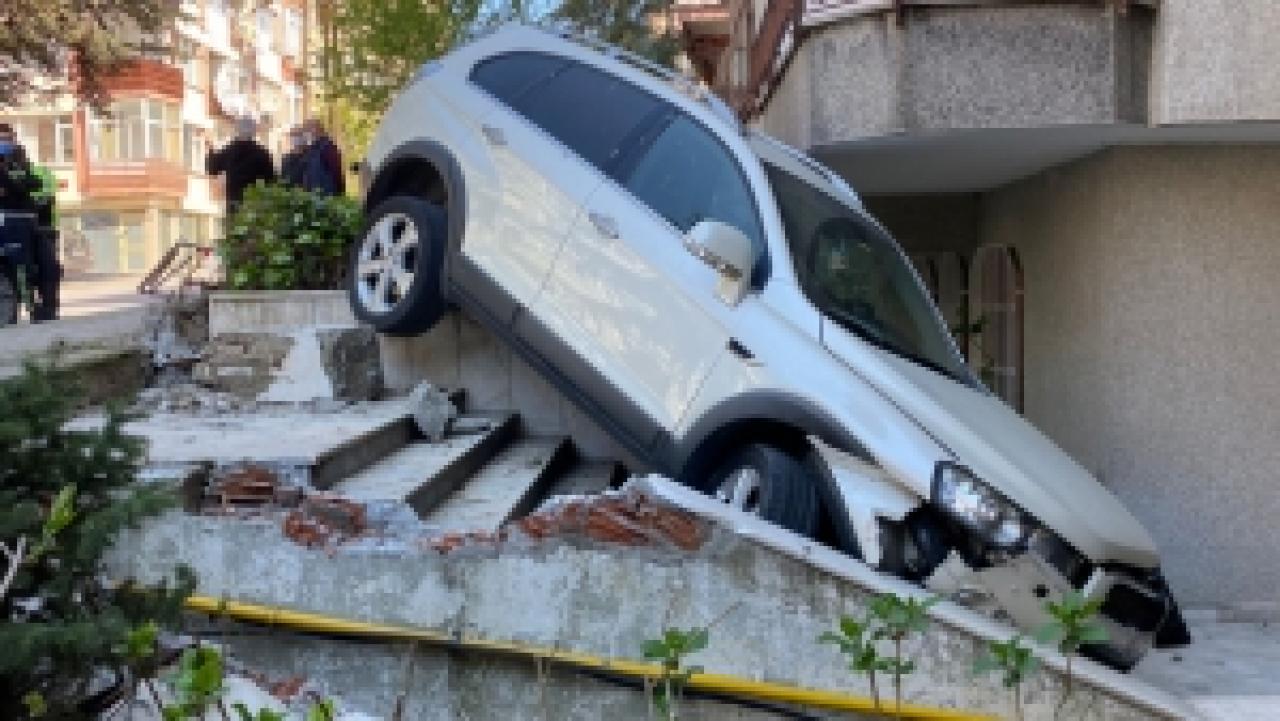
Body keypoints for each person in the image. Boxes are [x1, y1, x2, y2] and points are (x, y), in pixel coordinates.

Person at [205, 116, 276, 217]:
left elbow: (213, 170)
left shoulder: (229, 151)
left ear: (237, 130)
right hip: (254, 204)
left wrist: (210, 149)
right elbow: (271, 181)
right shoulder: (262, 154)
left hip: (234, 202)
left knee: (235, 230)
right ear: (254, 132)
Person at [299, 119, 345, 196]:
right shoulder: (311, 149)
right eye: (305, 130)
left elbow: (336, 171)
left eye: (308, 129)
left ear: (317, 129)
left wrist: (339, 192)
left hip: (326, 196)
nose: (305, 133)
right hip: (311, 195)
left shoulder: (328, 147)